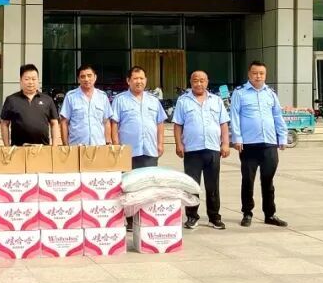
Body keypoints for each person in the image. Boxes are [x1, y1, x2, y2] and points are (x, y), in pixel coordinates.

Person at [230, 61, 289, 228]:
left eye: (261, 73)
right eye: (255, 73)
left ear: (265, 75)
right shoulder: (240, 93)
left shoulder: (270, 94)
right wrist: (237, 138)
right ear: (249, 74)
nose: (258, 76)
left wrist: (282, 137)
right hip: (248, 144)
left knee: (268, 180)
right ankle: (247, 213)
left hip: (269, 143)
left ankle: (270, 214)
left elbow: (277, 116)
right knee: (248, 180)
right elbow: (234, 116)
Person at [172, 70, 230, 230]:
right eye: (195, 80)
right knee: (192, 185)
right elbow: (178, 125)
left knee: (213, 185)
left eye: (202, 80)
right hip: (192, 150)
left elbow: (223, 124)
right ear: (191, 82)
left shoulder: (216, 101)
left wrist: (225, 143)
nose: (199, 83)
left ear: (207, 82)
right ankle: (192, 216)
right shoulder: (183, 101)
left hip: (213, 149)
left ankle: (214, 217)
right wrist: (178, 144)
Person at [109, 66, 165, 169]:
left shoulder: (154, 100)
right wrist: (116, 145)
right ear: (128, 81)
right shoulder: (120, 100)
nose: (139, 81)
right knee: (128, 179)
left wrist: (160, 144)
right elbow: (114, 123)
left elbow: (160, 123)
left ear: (146, 80)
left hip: (150, 150)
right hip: (127, 152)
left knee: (148, 178)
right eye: (135, 78)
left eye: (141, 78)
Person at [0, 64, 60, 146]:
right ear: (20, 80)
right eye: (27, 79)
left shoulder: (47, 100)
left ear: (38, 80)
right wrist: (7, 146)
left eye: (34, 79)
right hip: (18, 148)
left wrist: (54, 146)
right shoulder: (11, 100)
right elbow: (4, 124)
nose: (31, 82)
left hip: (43, 148)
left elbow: (54, 123)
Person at [58, 64, 111, 146]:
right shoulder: (71, 96)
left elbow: (106, 121)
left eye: (89, 76)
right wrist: (66, 145)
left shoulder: (102, 96)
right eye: (82, 77)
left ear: (95, 77)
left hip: (99, 146)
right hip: (76, 146)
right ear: (78, 79)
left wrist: (107, 143)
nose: (86, 79)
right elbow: (64, 122)